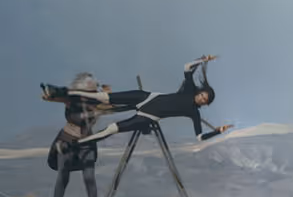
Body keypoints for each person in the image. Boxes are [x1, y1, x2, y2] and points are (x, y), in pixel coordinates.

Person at [51, 56, 230, 145]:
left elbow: (200, 138)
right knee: (103, 96)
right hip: (146, 97)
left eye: (204, 101)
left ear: (204, 104)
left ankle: (78, 143)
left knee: (112, 128)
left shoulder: (193, 112)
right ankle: (65, 92)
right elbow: (187, 66)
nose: (201, 99)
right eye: (203, 95)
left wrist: (218, 131)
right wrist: (203, 60)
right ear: (201, 92)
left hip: (149, 116)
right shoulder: (189, 88)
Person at [47, 73, 103, 197]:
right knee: (63, 175)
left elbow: (113, 103)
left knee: (89, 177)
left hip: (87, 141)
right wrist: (52, 93)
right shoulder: (70, 98)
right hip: (67, 140)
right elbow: (50, 95)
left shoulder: (97, 100)